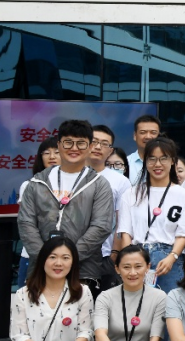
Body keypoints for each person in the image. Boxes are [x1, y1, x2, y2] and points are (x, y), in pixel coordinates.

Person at [17, 120, 115, 293]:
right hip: (40, 270)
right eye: (68, 142)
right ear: (59, 144)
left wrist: (68, 258)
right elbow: (26, 223)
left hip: (83, 271)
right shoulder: (37, 182)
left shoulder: (99, 184)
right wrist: (46, 258)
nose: (74, 148)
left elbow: (101, 226)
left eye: (81, 143)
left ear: (90, 146)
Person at [118, 138, 185, 292]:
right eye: (152, 159)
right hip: (137, 258)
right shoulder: (130, 194)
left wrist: (172, 257)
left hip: (169, 259)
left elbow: (183, 234)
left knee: (170, 304)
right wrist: (129, 262)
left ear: (172, 161)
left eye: (163, 158)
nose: (157, 164)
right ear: (145, 162)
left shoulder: (183, 195)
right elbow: (125, 233)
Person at [88, 125, 132, 279]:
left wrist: (115, 252)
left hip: (105, 254)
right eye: (94, 141)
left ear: (110, 150)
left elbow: (122, 221)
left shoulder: (120, 181)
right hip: (71, 253)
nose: (98, 147)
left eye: (104, 143)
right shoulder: (72, 175)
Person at [16, 137, 61, 286]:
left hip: (64, 256)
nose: (52, 156)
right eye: (46, 153)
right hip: (33, 255)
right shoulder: (29, 185)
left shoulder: (76, 185)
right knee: (29, 297)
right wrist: (42, 253)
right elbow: (27, 223)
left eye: (57, 152)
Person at [128, 115, 161, 185]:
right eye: (143, 132)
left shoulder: (168, 163)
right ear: (135, 136)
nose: (148, 137)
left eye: (153, 132)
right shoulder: (126, 163)